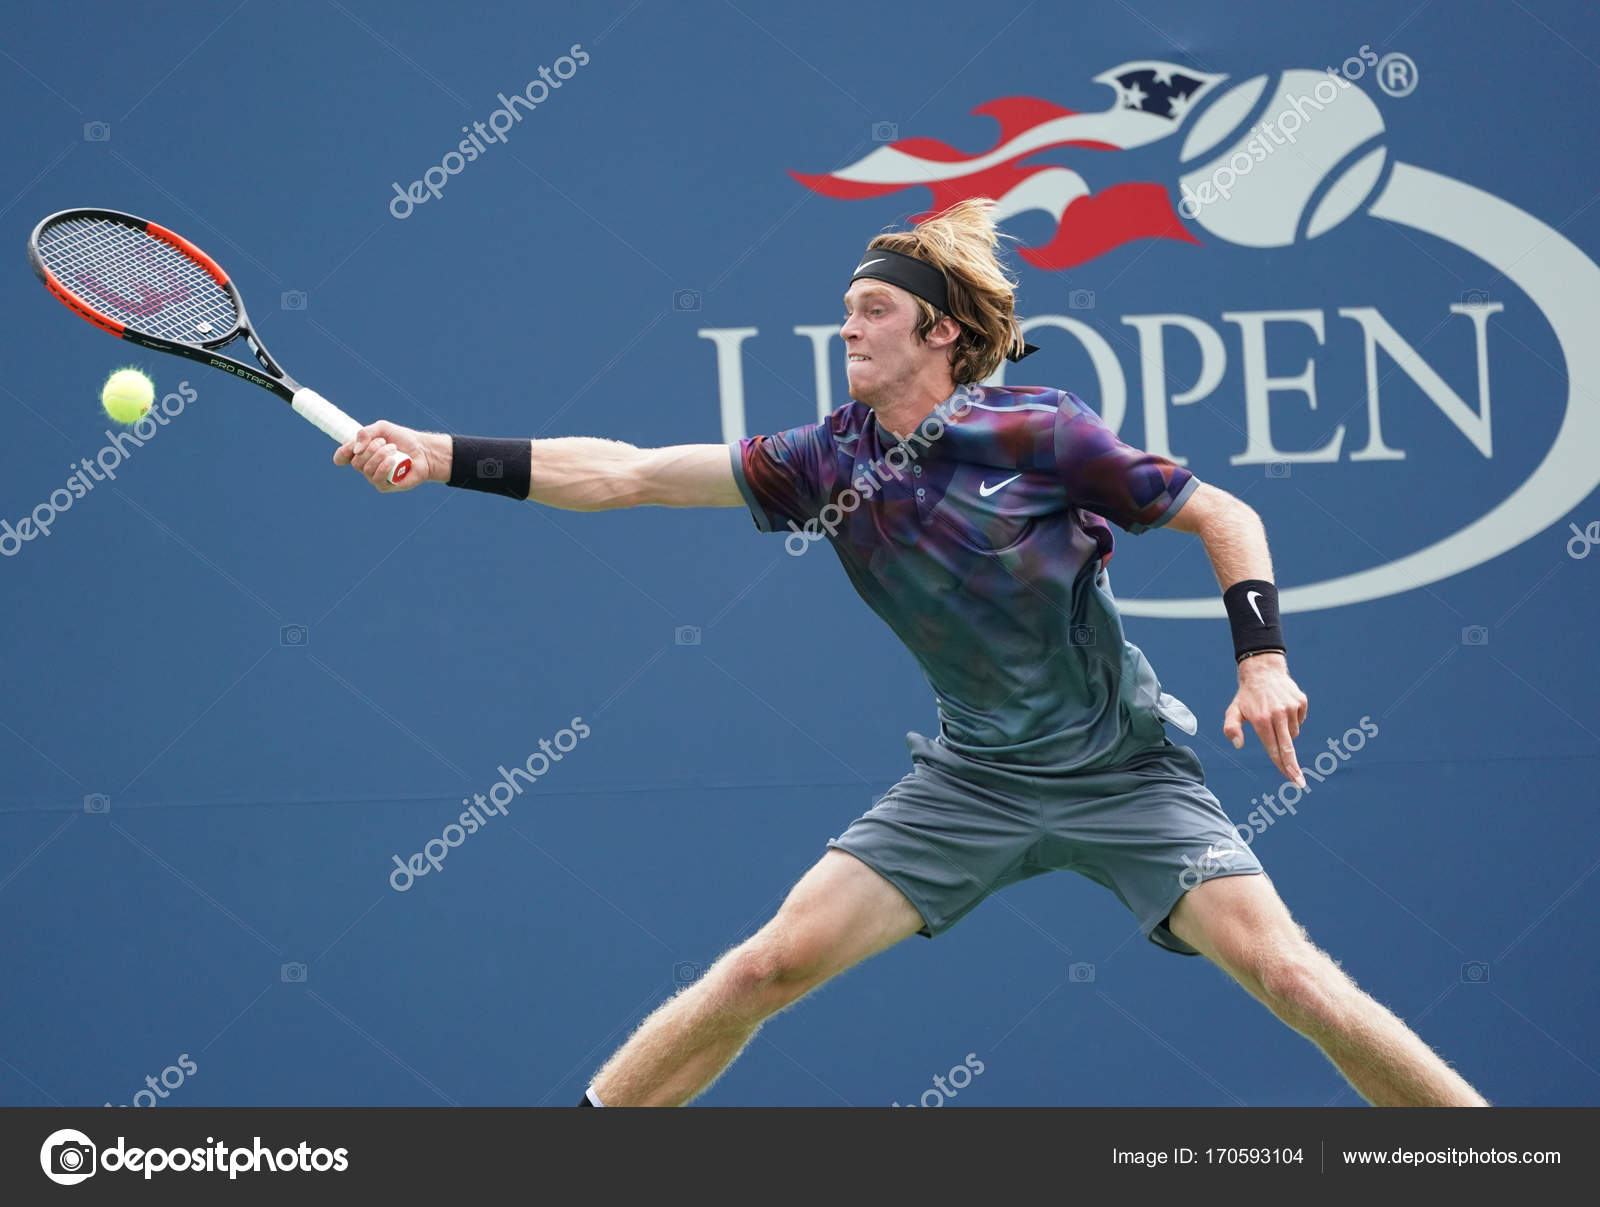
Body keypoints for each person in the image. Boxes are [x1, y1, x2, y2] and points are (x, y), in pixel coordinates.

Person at [334, 198, 1487, 1109]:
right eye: (844, 308)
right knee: (761, 970)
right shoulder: (823, 461)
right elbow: (629, 473)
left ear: (938, 332)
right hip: (970, 783)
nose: (846, 326)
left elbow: (1221, 513)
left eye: (871, 309)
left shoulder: (1040, 431)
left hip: (1124, 776)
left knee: (1292, 978)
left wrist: (1261, 658)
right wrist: (439, 453)